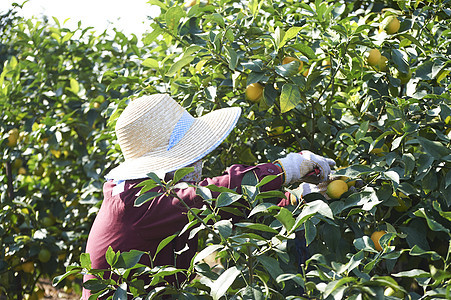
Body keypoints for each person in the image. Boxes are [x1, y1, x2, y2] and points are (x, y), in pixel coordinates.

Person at [82, 94, 335, 299]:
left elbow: (220, 209)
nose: (198, 162)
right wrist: (282, 170)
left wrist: (290, 200)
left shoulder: (134, 190)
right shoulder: (135, 201)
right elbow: (204, 198)